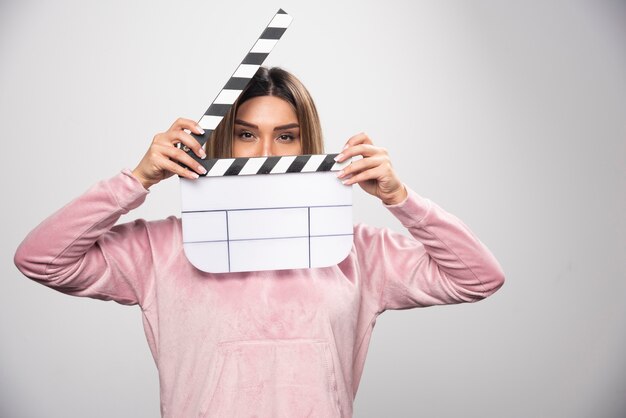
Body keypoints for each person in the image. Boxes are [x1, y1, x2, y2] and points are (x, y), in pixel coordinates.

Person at [14, 67, 505, 417]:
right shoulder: (161, 248)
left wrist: (401, 199)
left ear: (307, 144)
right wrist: (135, 179)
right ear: (225, 141)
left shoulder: (357, 251)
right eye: (247, 135)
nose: (265, 152)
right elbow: (41, 260)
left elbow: (478, 277)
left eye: (286, 137)